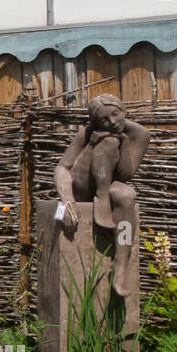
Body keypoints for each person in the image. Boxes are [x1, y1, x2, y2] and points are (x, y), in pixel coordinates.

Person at [53, 94, 150, 295]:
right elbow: (62, 167)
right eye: (104, 120)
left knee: (126, 196)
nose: (112, 122)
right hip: (84, 185)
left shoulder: (140, 134)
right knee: (108, 143)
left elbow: (126, 174)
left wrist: (122, 143)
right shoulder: (87, 133)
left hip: (111, 182)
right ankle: (101, 196)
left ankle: (121, 264)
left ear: (123, 110)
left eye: (115, 114)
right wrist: (68, 200)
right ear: (96, 122)